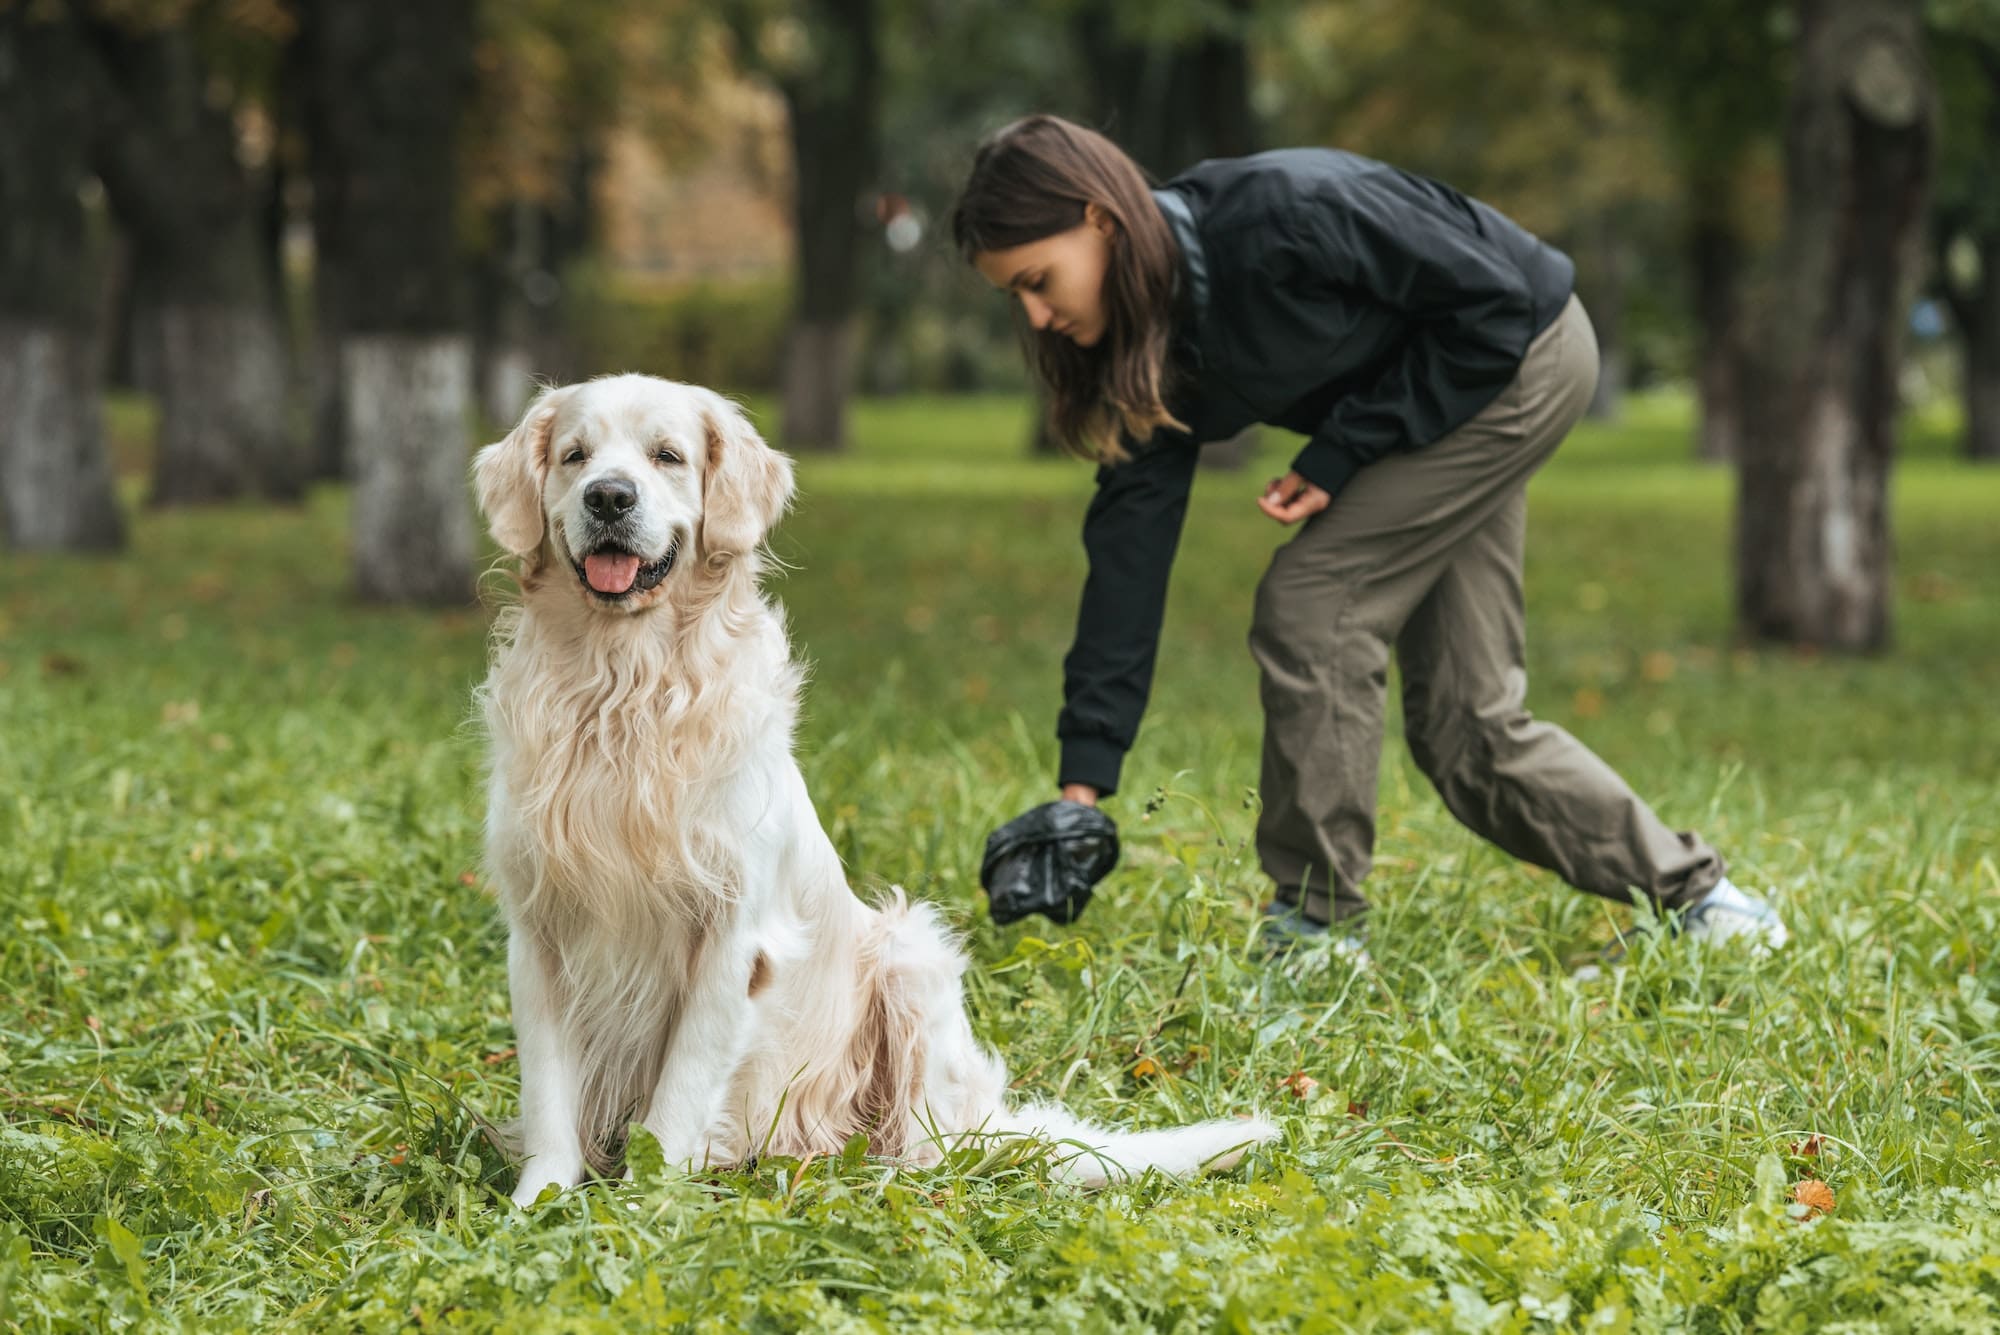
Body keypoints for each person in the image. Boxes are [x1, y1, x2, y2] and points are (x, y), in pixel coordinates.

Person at [951, 114, 1787, 960]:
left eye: (1038, 279)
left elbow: (1492, 305)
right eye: (1013, 296)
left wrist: (1343, 450)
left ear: (1100, 220)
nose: (1036, 313)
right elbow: (1127, 556)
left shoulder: (1286, 217)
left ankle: (1314, 930)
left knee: (1314, 603)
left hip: (1519, 355)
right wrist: (1081, 794)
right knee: (1469, 726)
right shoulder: (1149, 345)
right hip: (1443, 391)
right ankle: (1709, 904)